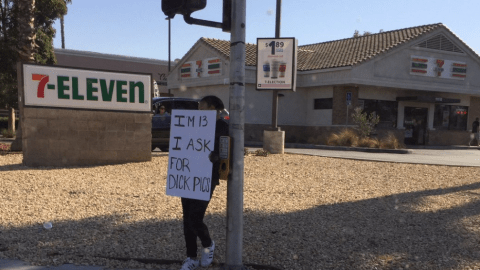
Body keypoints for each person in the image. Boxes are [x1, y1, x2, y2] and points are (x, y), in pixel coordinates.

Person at [180, 95, 229, 270]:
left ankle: (208, 245)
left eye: (203, 107)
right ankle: (191, 257)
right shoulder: (192, 123)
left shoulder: (223, 126)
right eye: (199, 108)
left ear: (214, 108)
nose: (200, 110)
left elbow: (227, 149)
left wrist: (217, 156)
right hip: (187, 175)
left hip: (207, 177)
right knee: (187, 219)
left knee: (195, 217)